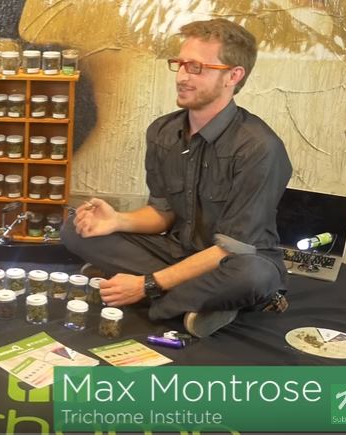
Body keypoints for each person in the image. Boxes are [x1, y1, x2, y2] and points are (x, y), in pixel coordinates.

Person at [62, 18, 292, 337]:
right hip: (177, 251)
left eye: (197, 68)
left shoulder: (260, 147)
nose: (182, 76)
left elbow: (231, 249)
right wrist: (116, 221)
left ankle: (156, 294)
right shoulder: (162, 131)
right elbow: (163, 213)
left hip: (234, 261)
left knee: (252, 276)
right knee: (74, 229)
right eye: (181, 64)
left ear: (233, 75)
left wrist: (146, 284)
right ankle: (204, 303)